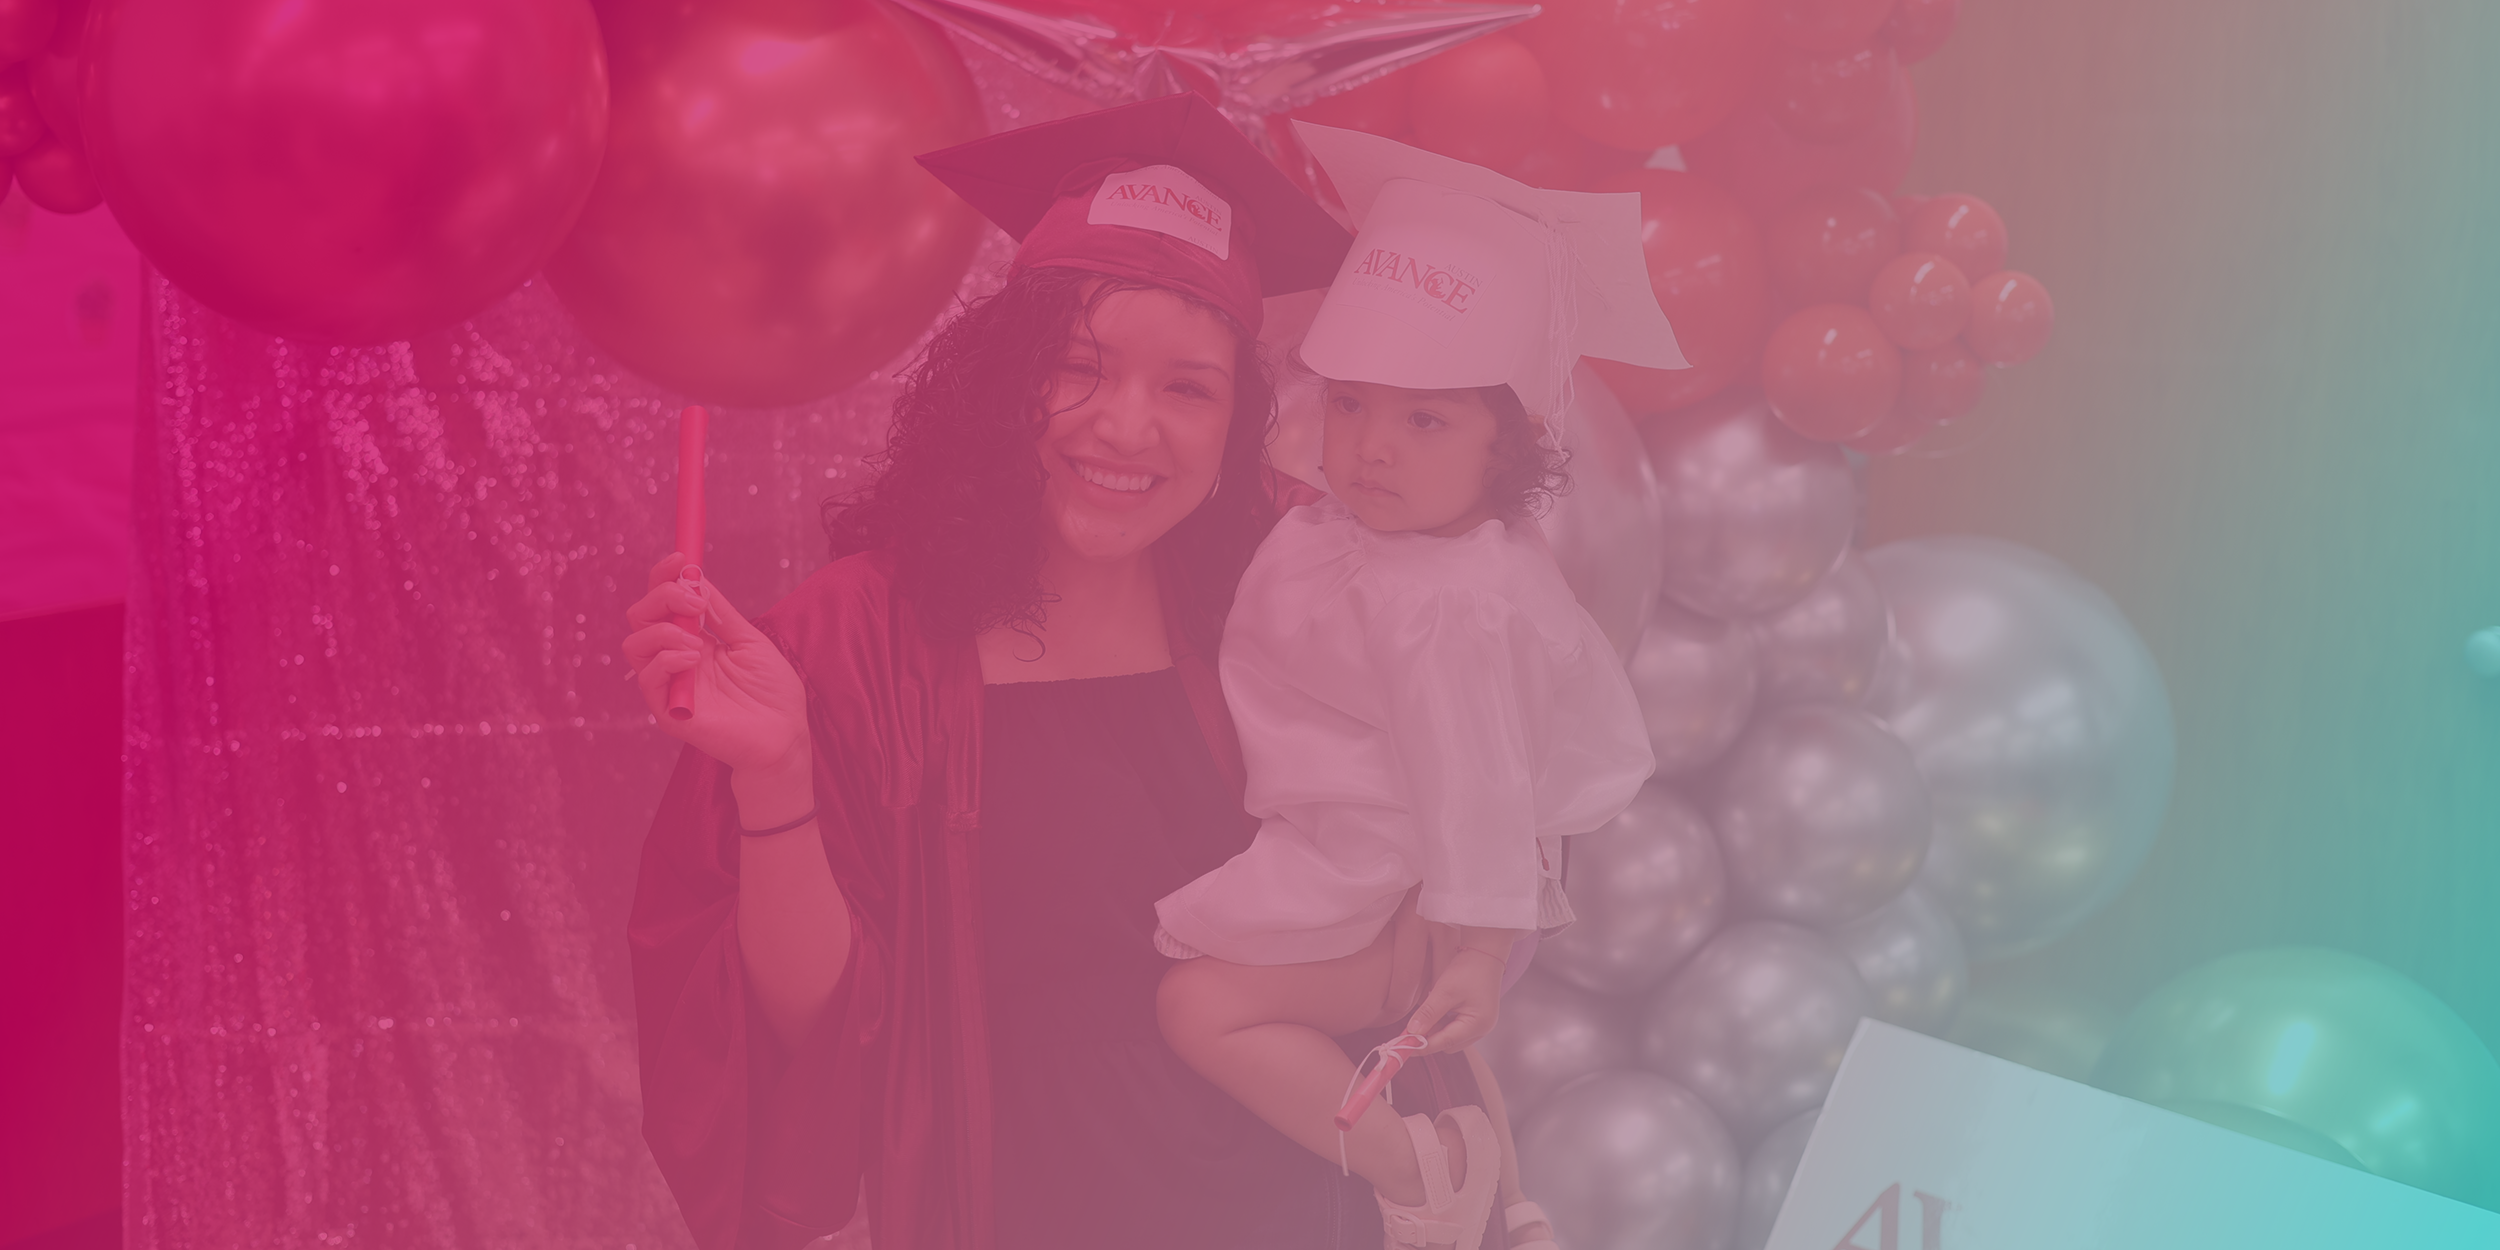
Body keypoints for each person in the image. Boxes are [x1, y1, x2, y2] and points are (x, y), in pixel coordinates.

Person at [619, 94, 1420, 1250]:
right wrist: (777, 773)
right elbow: (813, 1024)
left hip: (1298, 1199)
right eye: (1077, 366)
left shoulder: (1274, 611)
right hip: (1026, 1205)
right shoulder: (854, 642)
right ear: (1002, 383)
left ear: (1241, 417)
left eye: (1188, 386)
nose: (1126, 426)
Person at [1152, 123, 1690, 1250]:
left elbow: (1478, 779)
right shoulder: (1353, 537)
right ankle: (1455, 1148)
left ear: (1509, 447)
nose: (1372, 449)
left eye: (1425, 419)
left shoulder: (1451, 596)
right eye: (1351, 405)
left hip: (1387, 886)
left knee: (1197, 1004)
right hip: (1339, 852)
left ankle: (1422, 1171)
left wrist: (1479, 950)